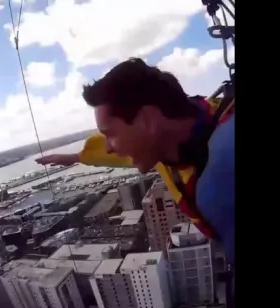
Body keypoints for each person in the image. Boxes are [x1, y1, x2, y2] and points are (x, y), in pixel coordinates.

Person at [36, 58, 235, 266]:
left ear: (148, 120)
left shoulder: (223, 170)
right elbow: (112, 151)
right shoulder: (165, 145)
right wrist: (76, 157)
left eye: (110, 134)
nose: (109, 147)